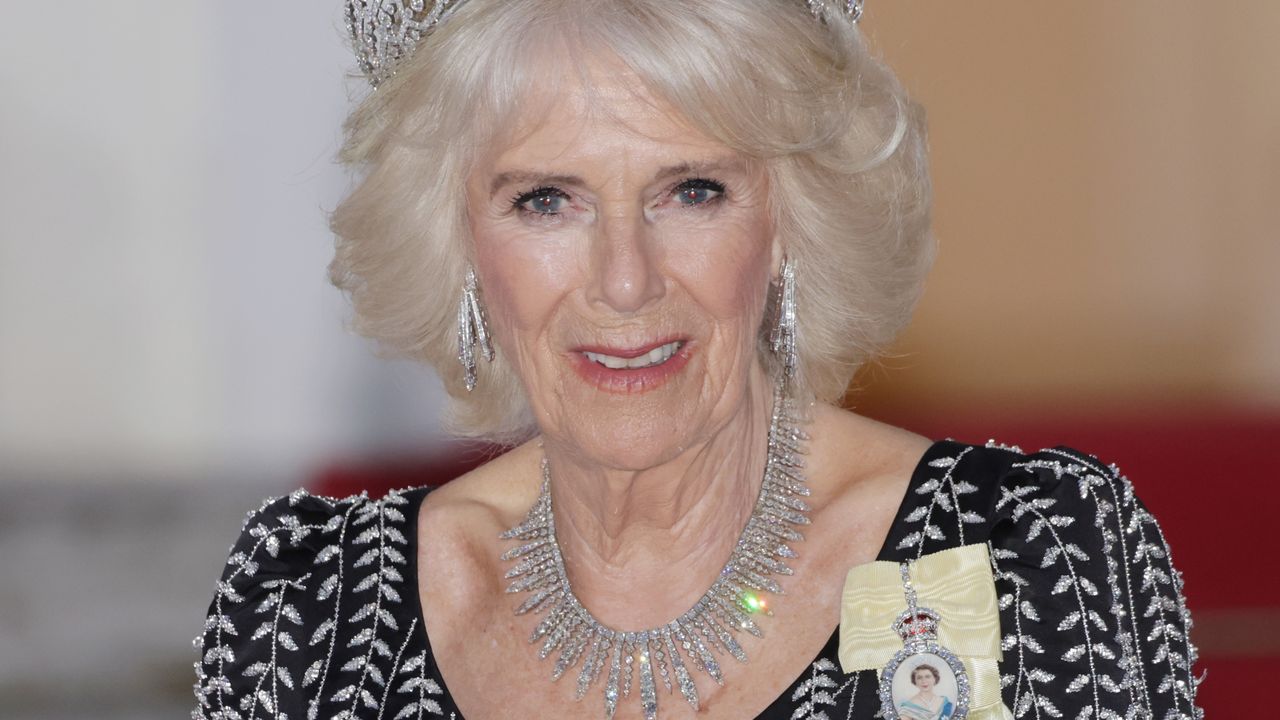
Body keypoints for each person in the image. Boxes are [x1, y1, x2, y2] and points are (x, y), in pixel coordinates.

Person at [192, 2, 1202, 719]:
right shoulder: (314, 612)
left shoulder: (1023, 555)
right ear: (457, 243)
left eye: (692, 192)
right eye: (545, 199)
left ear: (790, 225)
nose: (623, 281)